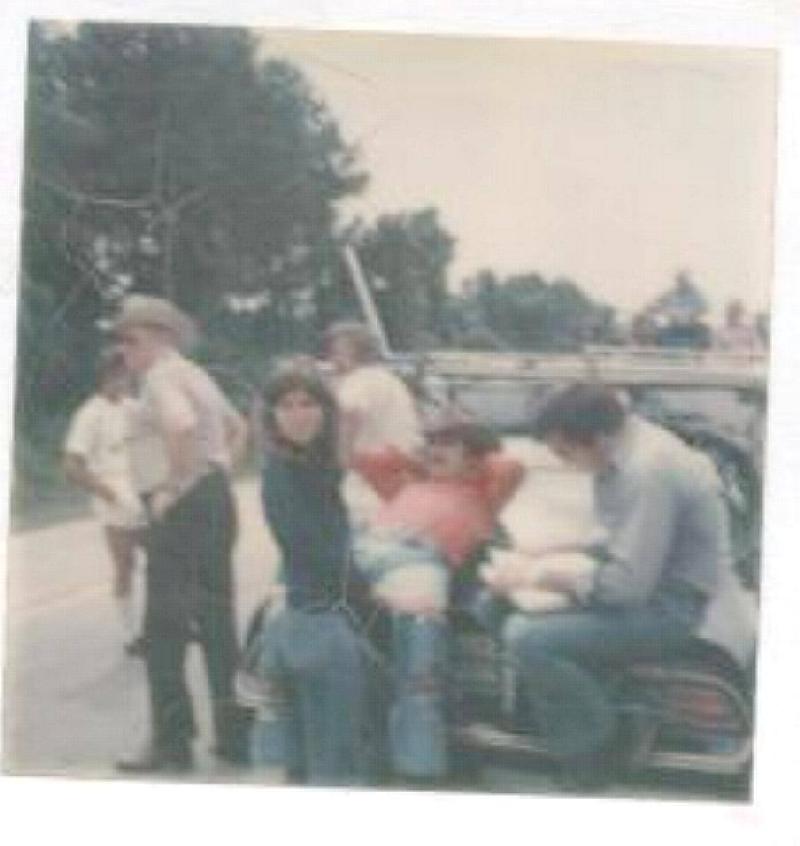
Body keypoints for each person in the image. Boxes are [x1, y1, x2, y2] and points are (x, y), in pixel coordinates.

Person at [486, 383, 726, 789]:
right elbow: (614, 539)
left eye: (565, 453)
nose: (564, 464)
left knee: (528, 637)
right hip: (650, 587)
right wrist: (544, 551)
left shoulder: (647, 471)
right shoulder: (625, 447)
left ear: (595, 439)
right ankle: (575, 704)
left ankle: (595, 748)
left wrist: (536, 576)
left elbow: (626, 587)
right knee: (489, 604)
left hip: (669, 608)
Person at [351, 408, 524, 783]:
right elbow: (365, 461)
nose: (434, 450)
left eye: (447, 443)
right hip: (371, 553)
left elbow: (511, 466)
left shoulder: (484, 491)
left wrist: (474, 450)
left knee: (419, 661)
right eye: (430, 442)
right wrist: (417, 457)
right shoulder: (408, 485)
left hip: (419, 564)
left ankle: (418, 767)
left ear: (476, 457)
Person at [114, 295, 249, 773]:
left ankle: (171, 744)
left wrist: (175, 486)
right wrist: (214, 473)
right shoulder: (196, 373)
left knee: (163, 632)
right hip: (215, 500)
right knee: (216, 623)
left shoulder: (160, 377)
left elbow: (182, 425)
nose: (123, 350)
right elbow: (237, 427)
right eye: (121, 340)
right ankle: (235, 736)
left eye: (131, 339)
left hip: (182, 508)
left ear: (160, 338)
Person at [248, 360, 366, 785]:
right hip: (319, 625)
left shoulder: (316, 467)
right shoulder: (285, 475)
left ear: (325, 410)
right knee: (334, 765)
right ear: (272, 416)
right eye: (287, 406)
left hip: (305, 618)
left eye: (308, 403)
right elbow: (318, 556)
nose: (299, 414)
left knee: (305, 764)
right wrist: (373, 591)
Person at [63, 349, 145, 655]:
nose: (121, 380)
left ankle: (165, 626)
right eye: (115, 375)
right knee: (125, 565)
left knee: (166, 562)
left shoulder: (134, 408)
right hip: (115, 498)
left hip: (143, 490)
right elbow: (71, 466)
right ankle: (130, 636)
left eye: (125, 374)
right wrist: (108, 493)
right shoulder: (89, 414)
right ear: (103, 377)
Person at [325, 321, 422, 523]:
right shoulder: (389, 380)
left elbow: (349, 413)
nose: (332, 357)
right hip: (401, 475)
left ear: (355, 352)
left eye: (337, 351)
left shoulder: (358, 380)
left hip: (367, 480)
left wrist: (339, 463)